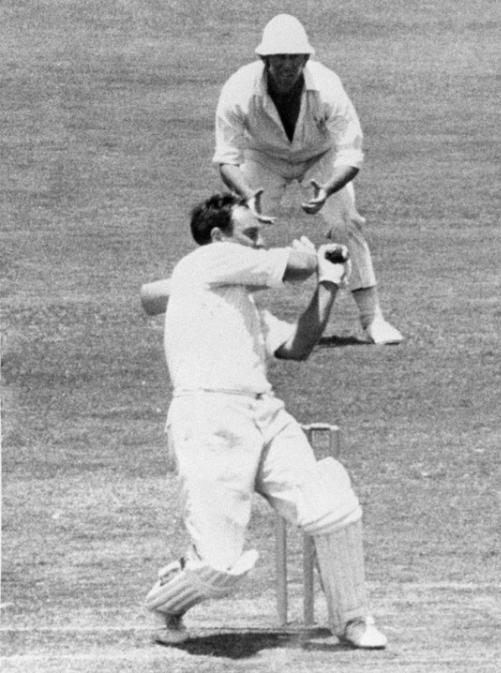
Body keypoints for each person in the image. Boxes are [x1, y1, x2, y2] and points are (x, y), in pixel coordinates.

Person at [142, 192, 387, 649]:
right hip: (208, 418)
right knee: (220, 565)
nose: (258, 244)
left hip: (265, 411)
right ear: (218, 237)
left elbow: (298, 346)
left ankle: (353, 619)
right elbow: (291, 266)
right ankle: (170, 597)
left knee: (331, 504)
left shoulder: (246, 305)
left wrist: (329, 285)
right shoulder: (204, 262)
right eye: (251, 234)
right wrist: (314, 259)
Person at [213, 13, 402, 345]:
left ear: (305, 58)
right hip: (262, 158)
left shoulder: (328, 87)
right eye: (279, 58)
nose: (287, 65)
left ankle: (373, 319)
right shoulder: (238, 89)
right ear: (264, 59)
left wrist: (328, 188)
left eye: (294, 57)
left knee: (345, 221)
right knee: (238, 226)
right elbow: (226, 157)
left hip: (321, 157)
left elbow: (351, 152)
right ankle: (223, 316)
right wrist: (247, 194)